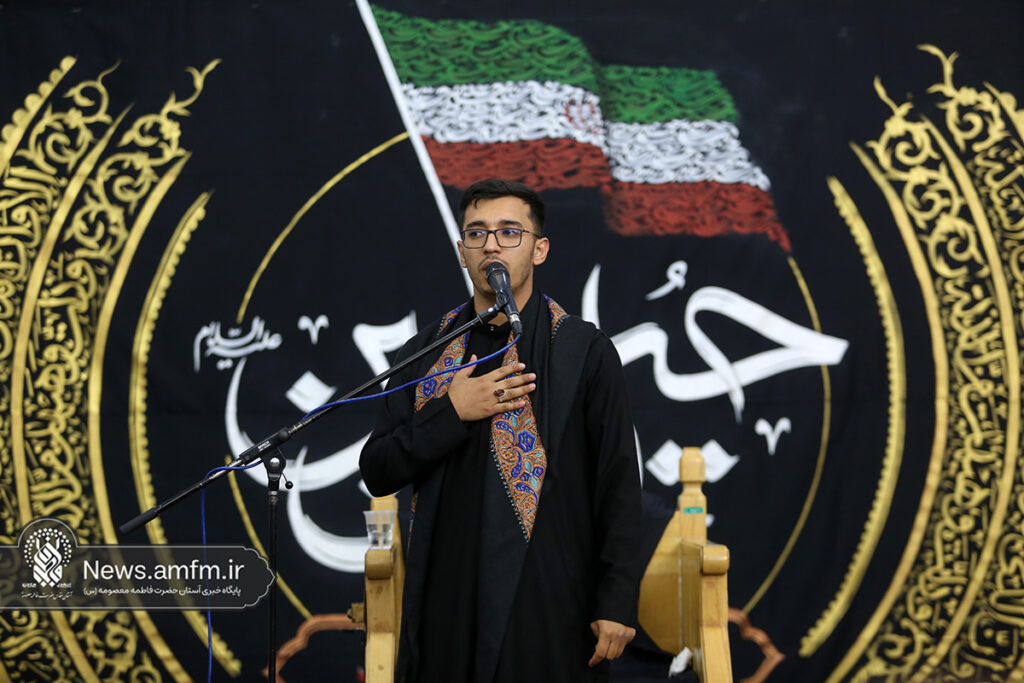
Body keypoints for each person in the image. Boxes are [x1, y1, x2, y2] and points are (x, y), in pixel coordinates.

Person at [359, 179, 642, 682]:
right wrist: (453, 411)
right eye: (477, 233)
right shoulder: (425, 353)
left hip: (550, 601)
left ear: (539, 249)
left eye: (510, 232)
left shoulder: (583, 351)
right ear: (462, 252)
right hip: (449, 601)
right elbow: (378, 468)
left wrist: (617, 599)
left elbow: (617, 482)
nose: (492, 245)